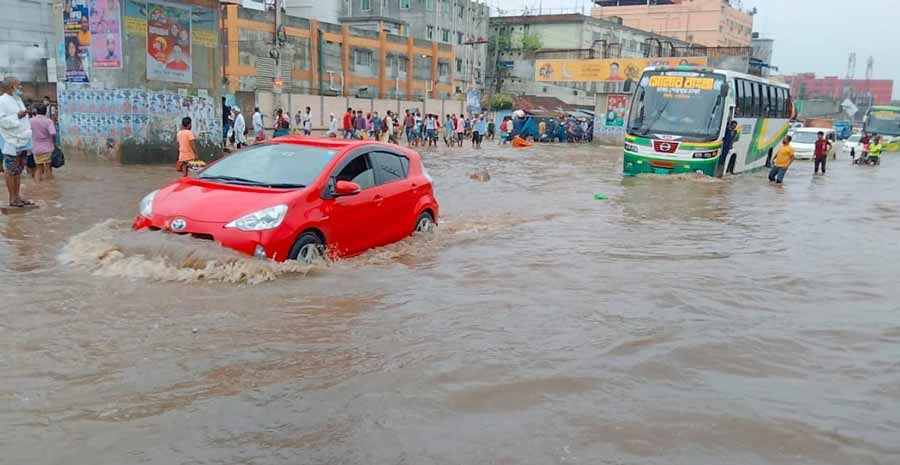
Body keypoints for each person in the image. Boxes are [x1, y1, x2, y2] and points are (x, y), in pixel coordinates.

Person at [0, 78, 34, 207]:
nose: (21, 87)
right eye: (19, 85)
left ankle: (17, 196)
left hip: (23, 139)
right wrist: (17, 116)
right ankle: (12, 198)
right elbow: (2, 121)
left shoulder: (18, 99)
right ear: (12, 87)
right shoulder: (2, 101)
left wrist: (25, 114)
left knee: (18, 170)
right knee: (10, 170)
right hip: (11, 140)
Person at [29, 104, 55, 182]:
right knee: (48, 168)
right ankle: (50, 186)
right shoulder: (49, 121)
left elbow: (27, 132)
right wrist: (53, 143)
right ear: (46, 111)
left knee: (38, 168)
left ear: (36, 111)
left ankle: (37, 185)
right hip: (47, 147)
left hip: (36, 147)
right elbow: (53, 133)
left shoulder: (31, 121)